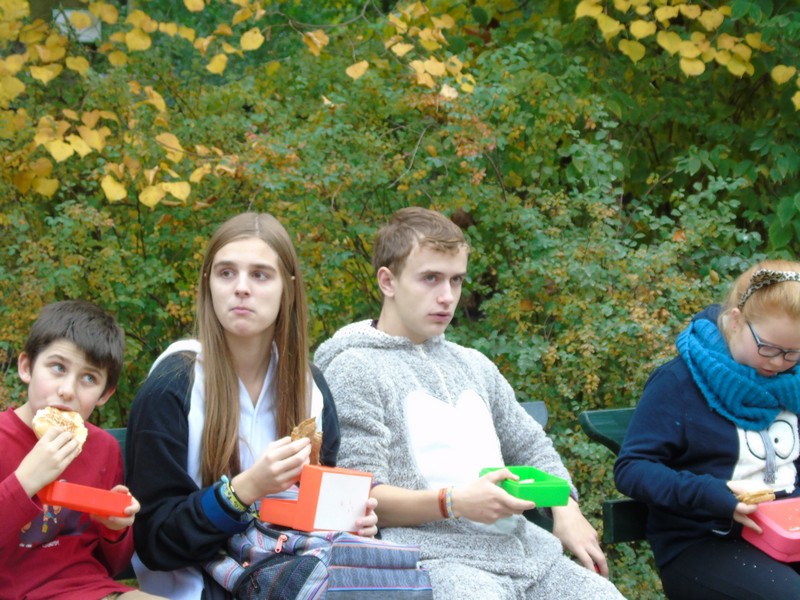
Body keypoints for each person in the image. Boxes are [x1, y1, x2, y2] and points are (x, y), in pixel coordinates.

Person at [314, 207, 625, 599]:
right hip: (431, 562)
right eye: (430, 278)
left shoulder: (474, 365)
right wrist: (453, 502)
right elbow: (362, 494)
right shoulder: (354, 368)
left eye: (456, 280)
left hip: (528, 555)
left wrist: (565, 506)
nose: (447, 296)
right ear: (388, 281)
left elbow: (531, 446)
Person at [125, 212, 378, 599]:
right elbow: (155, 542)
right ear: (208, 283)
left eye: (260, 275)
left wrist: (350, 523)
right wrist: (245, 489)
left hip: (291, 580)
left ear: (287, 288)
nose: (241, 288)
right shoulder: (173, 386)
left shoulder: (310, 388)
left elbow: (313, 522)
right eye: (226, 273)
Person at [614, 260, 800, 599]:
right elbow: (632, 469)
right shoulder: (678, 382)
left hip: (787, 534)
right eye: (769, 348)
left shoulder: (792, 383)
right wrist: (712, 494)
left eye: (792, 353)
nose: (779, 363)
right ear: (736, 321)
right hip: (704, 542)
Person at [0, 300, 161, 599]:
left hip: (91, 590)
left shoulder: (103, 449)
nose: (67, 390)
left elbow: (114, 565)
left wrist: (114, 527)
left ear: (104, 394)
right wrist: (25, 482)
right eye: (58, 368)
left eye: (89, 378)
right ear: (26, 367)